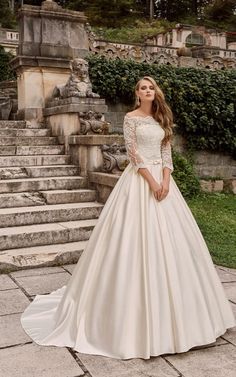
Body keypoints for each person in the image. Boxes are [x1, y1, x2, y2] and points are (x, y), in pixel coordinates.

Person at [21, 76, 236, 360]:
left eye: (151, 87)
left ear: (155, 92)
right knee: (132, 242)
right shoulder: (131, 118)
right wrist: (152, 182)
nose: (147, 91)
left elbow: (166, 150)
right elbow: (133, 155)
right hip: (140, 181)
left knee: (177, 246)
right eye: (142, 88)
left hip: (164, 181)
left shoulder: (161, 116)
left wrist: (167, 180)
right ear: (137, 94)